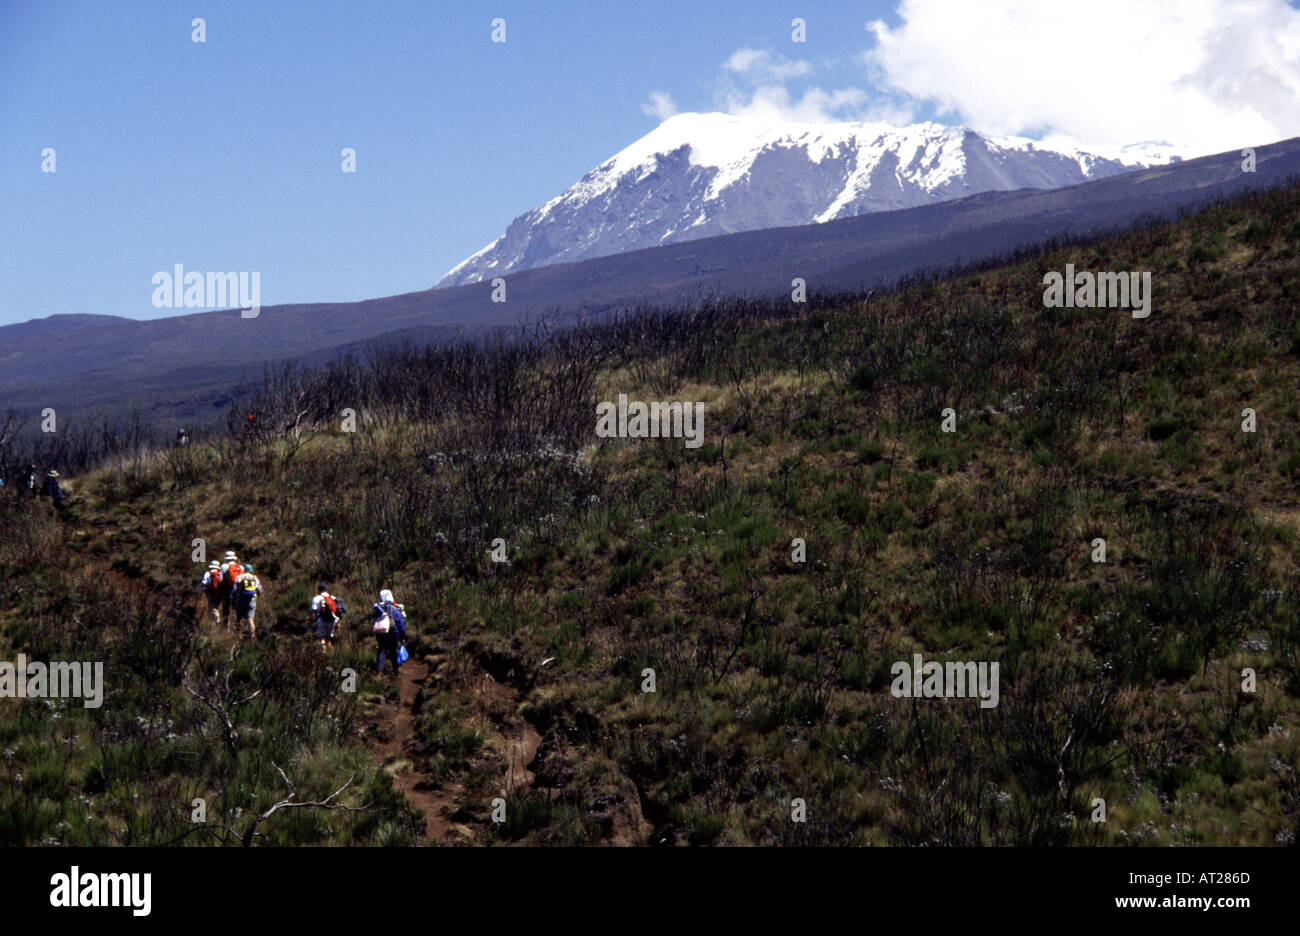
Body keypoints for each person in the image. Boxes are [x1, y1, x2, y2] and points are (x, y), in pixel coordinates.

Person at [372, 588, 406, 677]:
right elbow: (401, 625)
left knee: (382, 650)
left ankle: (379, 672)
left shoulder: (378, 609)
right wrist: (402, 637)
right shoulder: (394, 610)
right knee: (393, 651)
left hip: (380, 633)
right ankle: (396, 671)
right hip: (393, 633)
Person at [231, 562, 262, 640]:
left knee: (238, 618)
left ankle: (238, 636)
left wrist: (233, 599)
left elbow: (234, 590)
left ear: (244, 570)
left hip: (240, 600)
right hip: (251, 600)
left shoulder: (239, 577)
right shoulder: (255, 578)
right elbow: (260, 590)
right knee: (250, 619)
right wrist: (255, 596)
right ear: (251, 570)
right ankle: (252, 637)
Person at [310, 583, 343, 651]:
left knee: (321, 638)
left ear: (318, 590)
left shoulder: (316, 598)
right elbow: (337, 611)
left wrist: (311, 622)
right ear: (326, 590)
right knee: (328, 638)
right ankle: (329, 654)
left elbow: (313, 611)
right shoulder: (333, 598)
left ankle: (323, 654)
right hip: (332, 621)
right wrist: (338, 623)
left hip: (321, 621)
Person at [217, 551, 243, 629]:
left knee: (225, 609)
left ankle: (225, 629)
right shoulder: (240, 567)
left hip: (227, 590)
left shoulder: (224, 566)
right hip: (238, 591)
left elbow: (220, 580)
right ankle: (237, 628)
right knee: (235, 609)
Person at [199, 559, 222, 624]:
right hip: (219, 593)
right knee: (215, 606)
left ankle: (216, 622)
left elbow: (204, 582)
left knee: (212, 607)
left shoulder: (208, 573)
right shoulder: (220, 573)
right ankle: (215, 621)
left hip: (210, 592)